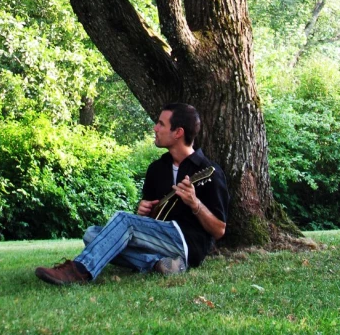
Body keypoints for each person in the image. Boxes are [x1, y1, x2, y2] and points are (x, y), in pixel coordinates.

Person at [35, 102, 229, 285]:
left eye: (161, 124)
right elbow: (152, 218)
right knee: (92, 234)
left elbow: (219, 230)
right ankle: (158, 264)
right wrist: (144, 211)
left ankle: (78, 270)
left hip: (186, 243)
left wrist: (195, 204)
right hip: (157, 238)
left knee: (122, 221)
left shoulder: (209, 171)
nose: (155, 128)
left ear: (178, 132)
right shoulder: (156, 169)